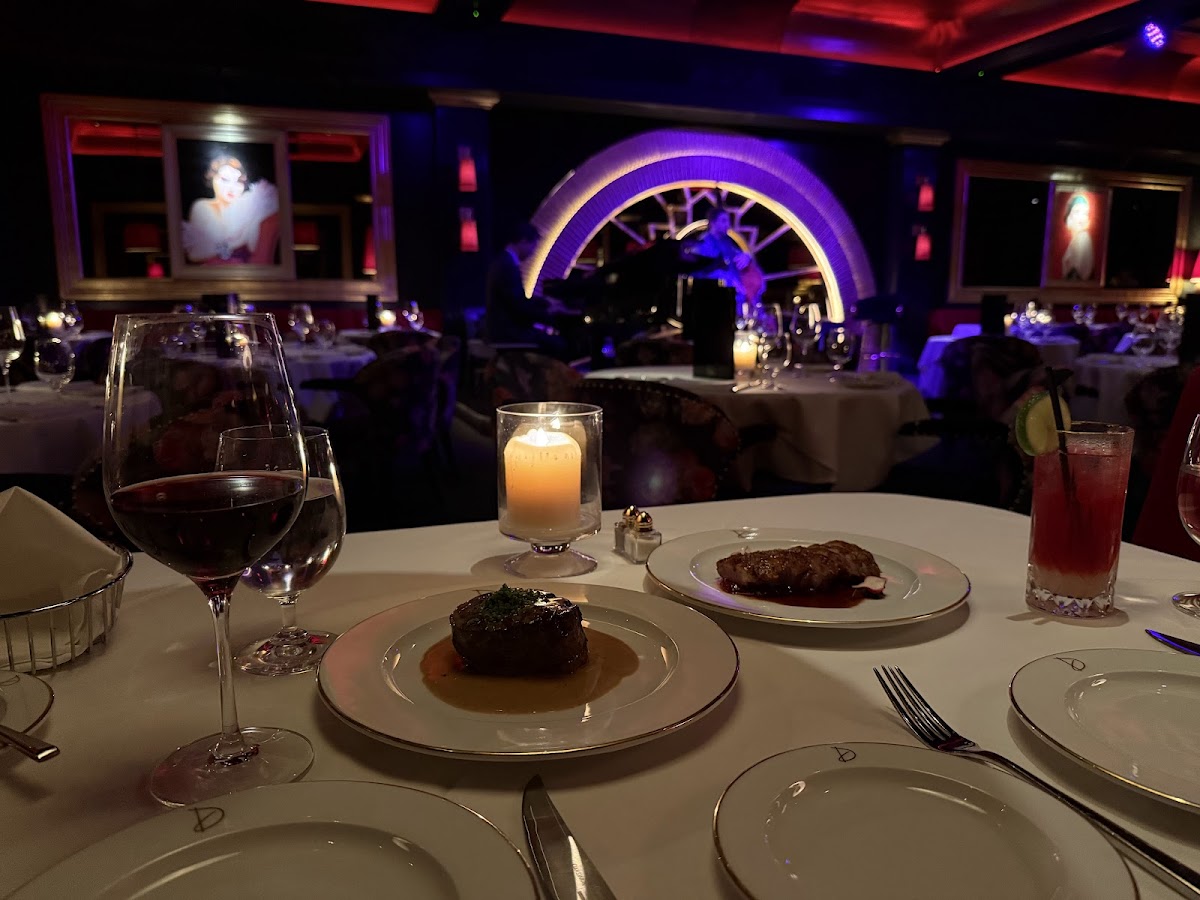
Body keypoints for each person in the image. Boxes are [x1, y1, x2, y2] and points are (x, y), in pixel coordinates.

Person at [485, 222, 576, 357]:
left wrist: (545, 303)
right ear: (523, 241)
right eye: (533, 246)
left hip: (503, 329)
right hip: (508, 332)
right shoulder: (507, 266)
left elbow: (517, 301)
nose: (533, 251)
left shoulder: (504, 262)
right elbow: (518, 307)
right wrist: (548, 313)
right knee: (558, 344)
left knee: (554, 341)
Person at [181, 155, 279, 265]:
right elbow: (195, 254)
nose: (232, 188)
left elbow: (254, 248)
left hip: (246, 271)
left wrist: (255, 221)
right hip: (211, 272)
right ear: (212, 179)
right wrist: (237, 242)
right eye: (225, 180)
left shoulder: (249, 207)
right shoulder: (203, 207)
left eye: (238, 181)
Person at [1060, 192, 1095, 282]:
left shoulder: (1083, 237)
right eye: (1077, 212)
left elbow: (1079, 273)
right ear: (1069, 215)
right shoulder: (1075, 238)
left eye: (1084, 213)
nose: (1081, 217)